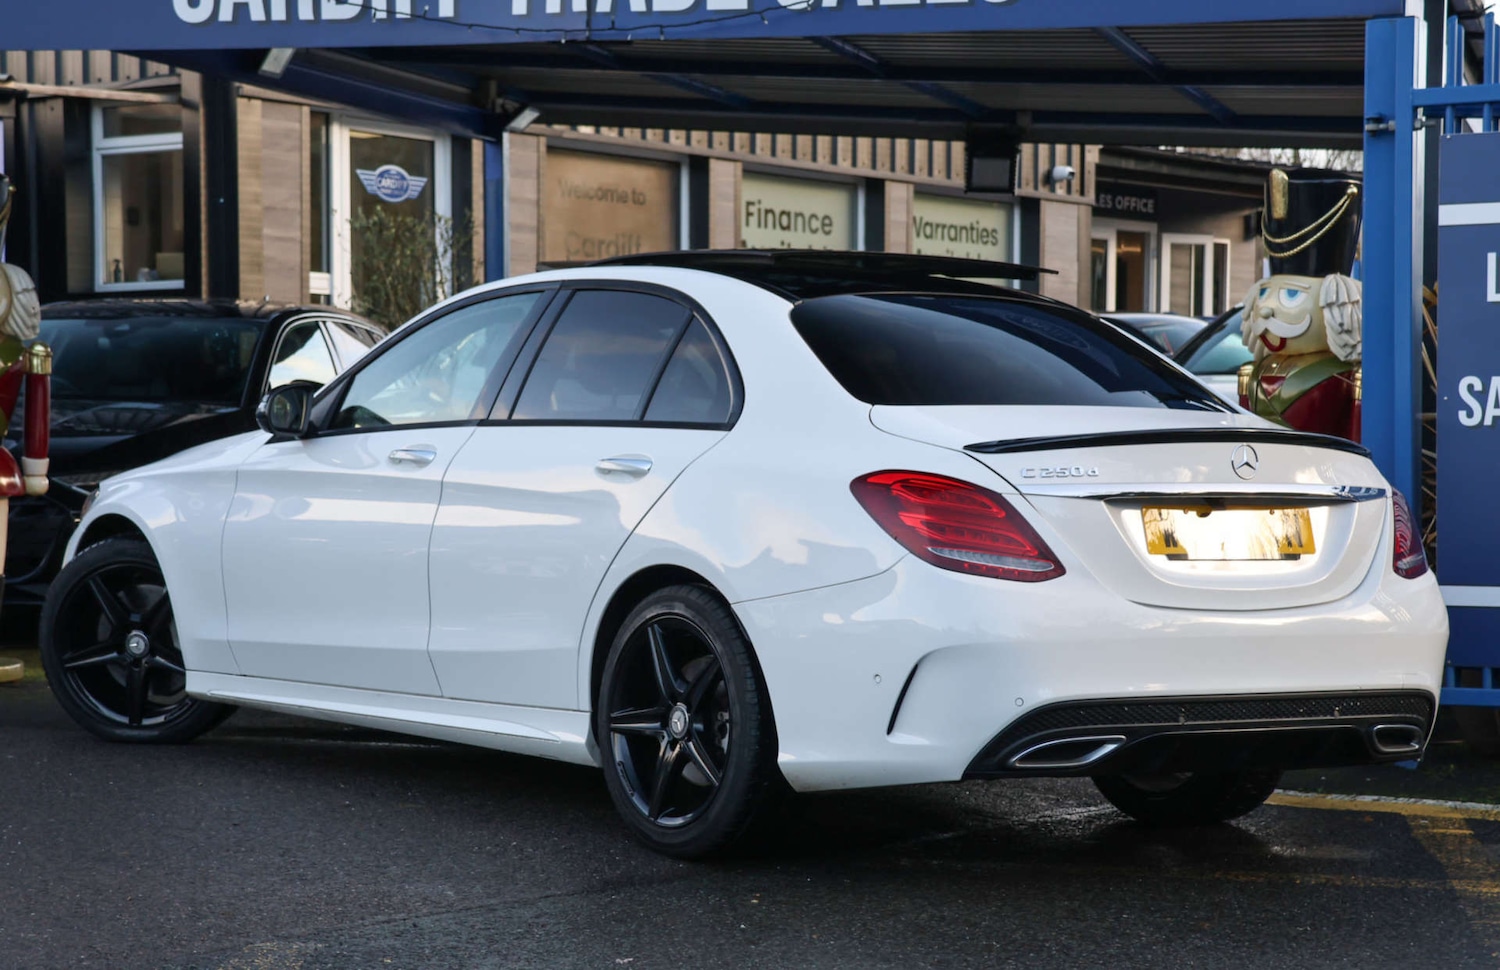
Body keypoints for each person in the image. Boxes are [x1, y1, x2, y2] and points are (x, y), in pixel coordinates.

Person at [1239, 168, 1363, 441]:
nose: (1266, 309)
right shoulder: (1256, 370)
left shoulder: (1345, 377)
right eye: (1264, 294)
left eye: (1292, 296)